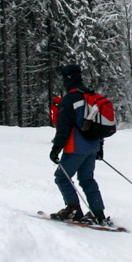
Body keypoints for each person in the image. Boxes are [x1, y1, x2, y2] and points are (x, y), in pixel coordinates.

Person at [50, 64, 111, 225]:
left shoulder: (70, 99)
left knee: (62, 177)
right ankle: (99, 214)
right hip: (92, 146)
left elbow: (64, 128)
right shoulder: (91, 96)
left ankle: (74, 210)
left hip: (75, 147)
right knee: (87, 179)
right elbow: (97, 125)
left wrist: (56, 148)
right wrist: (100, 147)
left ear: (67, 79)